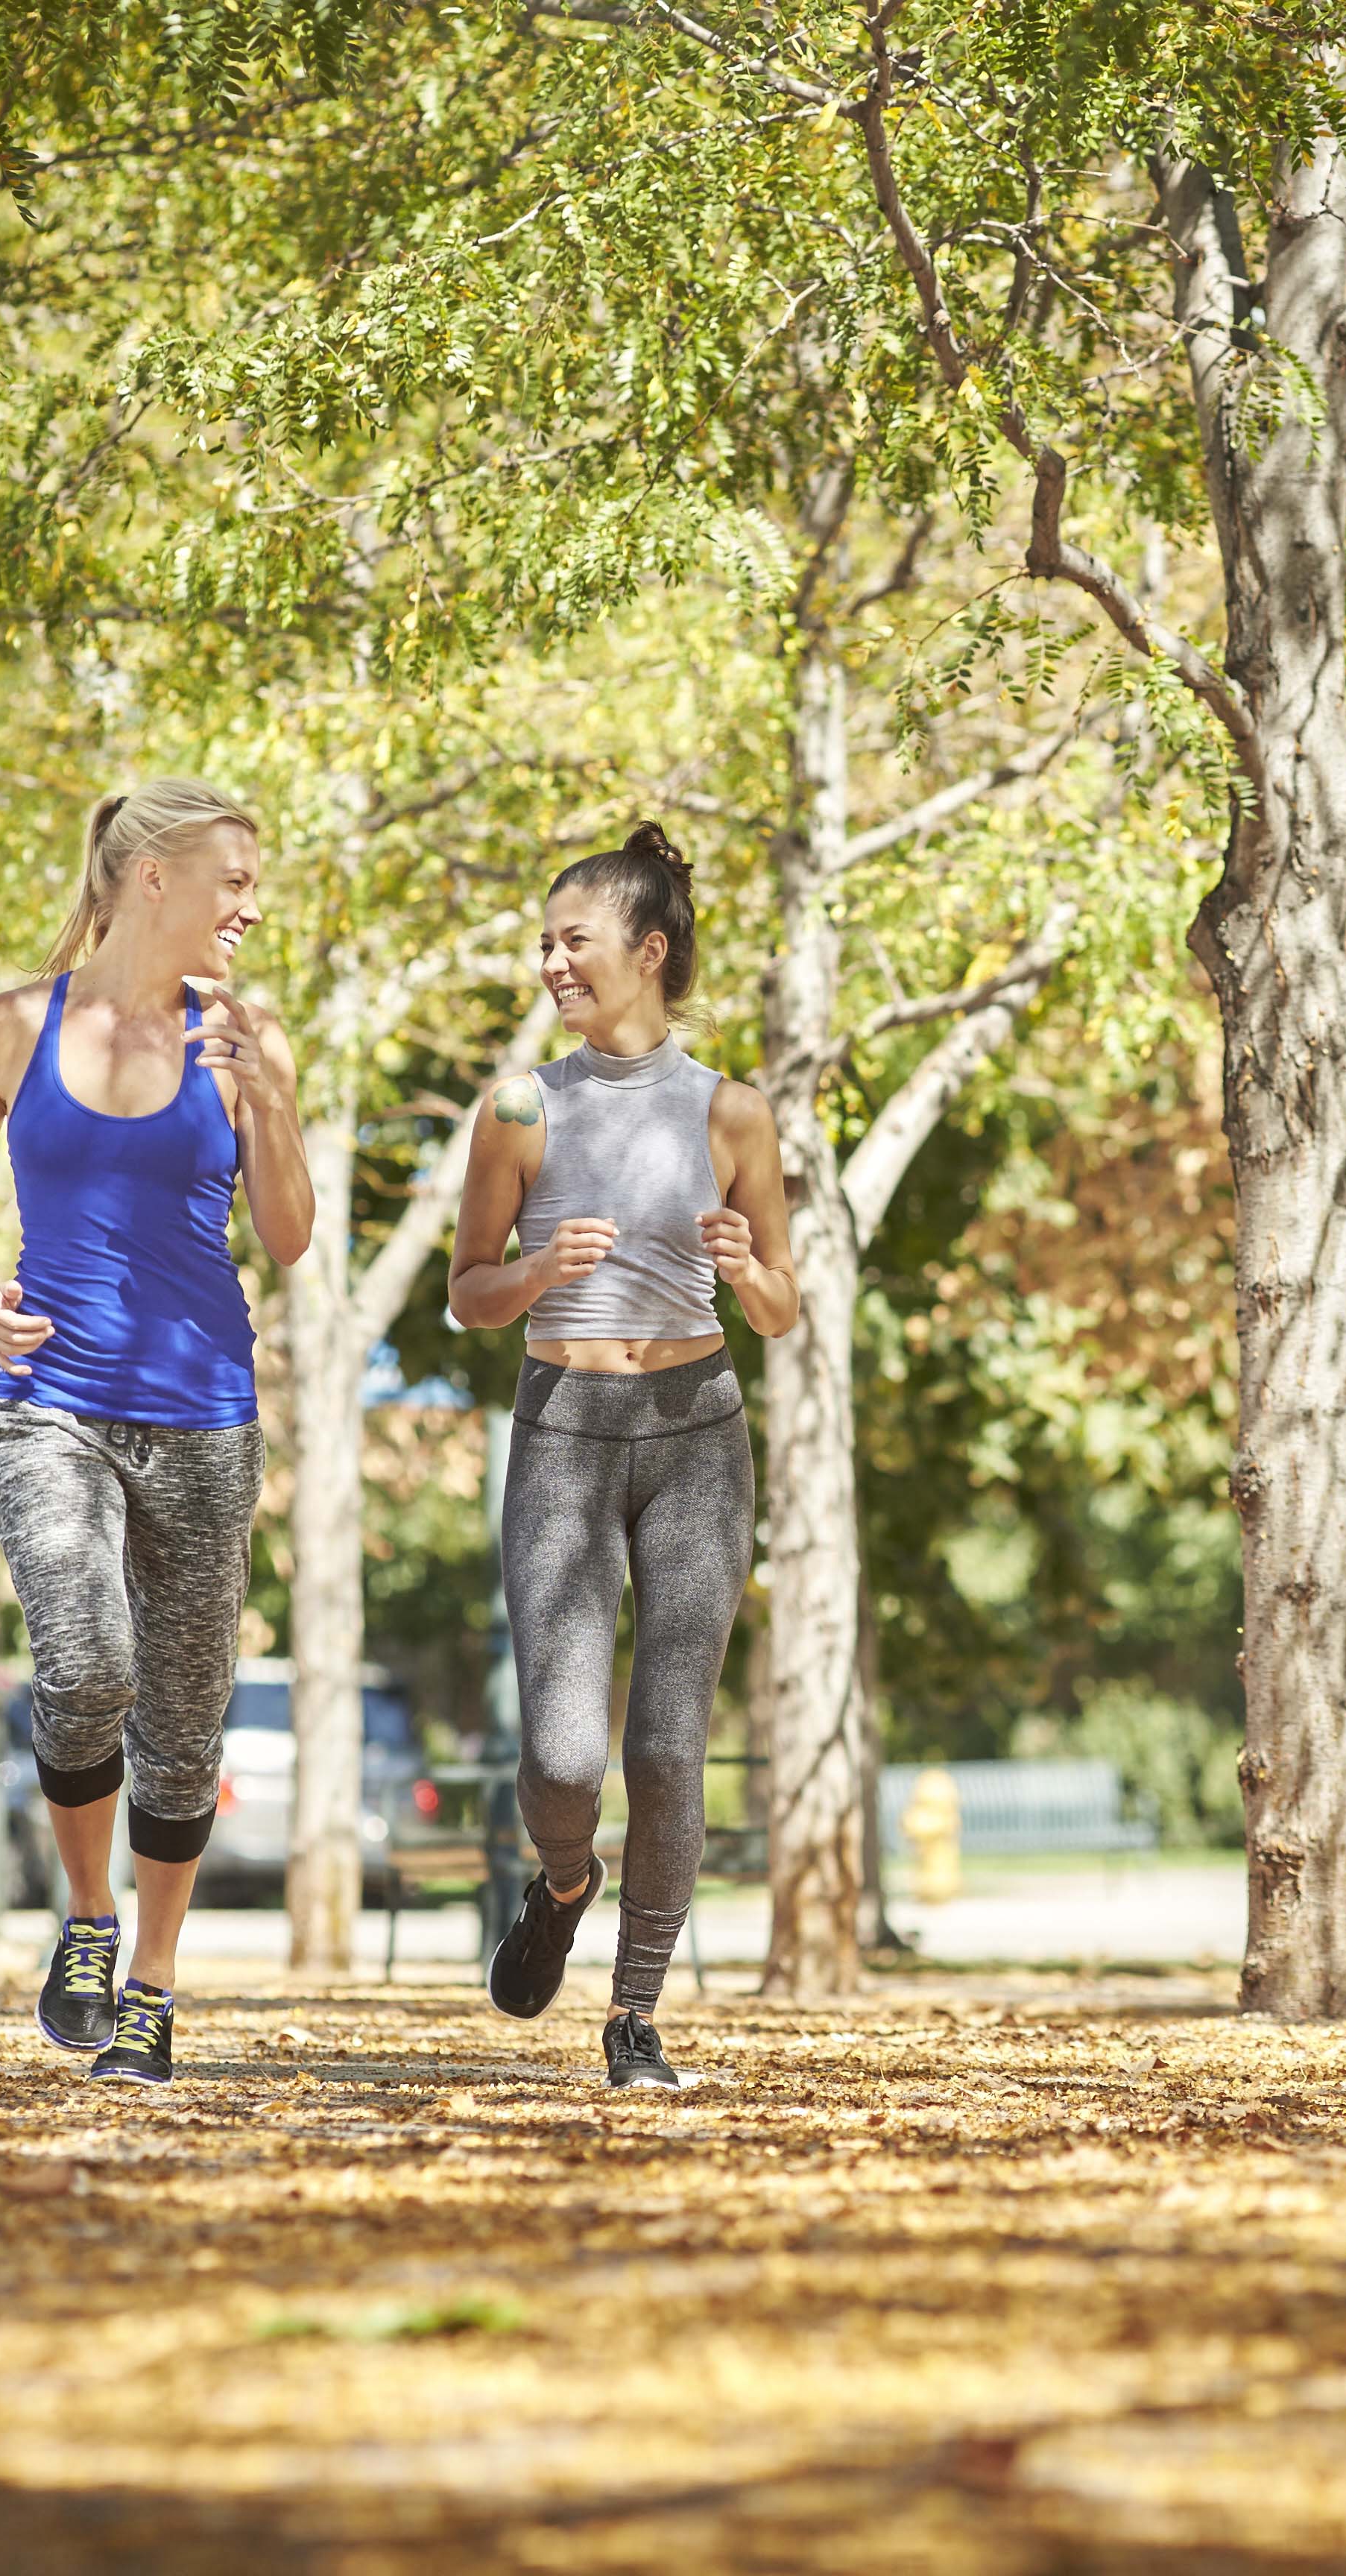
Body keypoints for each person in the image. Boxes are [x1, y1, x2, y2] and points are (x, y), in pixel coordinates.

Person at [0, 779, 312, 2086]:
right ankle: (86, 1918)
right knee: (86, 1665)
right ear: (154, 879)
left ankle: (152, 1983)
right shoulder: (7, 1029)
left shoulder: (246, 1036)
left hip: (204, 1408)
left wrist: (268, 1099)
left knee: (188, 1717)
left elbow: (293, 1237)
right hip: (51, 1404)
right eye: (235, 880)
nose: (252, 906)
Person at [449, 823, 797, 2090]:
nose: (551, 962)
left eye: (573, 941)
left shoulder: (735, 1113)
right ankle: (561, 1880)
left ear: (647, 953)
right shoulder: (515, 1109)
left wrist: (750, 1270)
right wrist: (536, 1271)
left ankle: (635, 2013)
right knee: (563, 1758)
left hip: (697, 1435)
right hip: (563, 1433)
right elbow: (468, 1294)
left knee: (666, 1748)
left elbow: (778, 1310)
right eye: (543, 943)